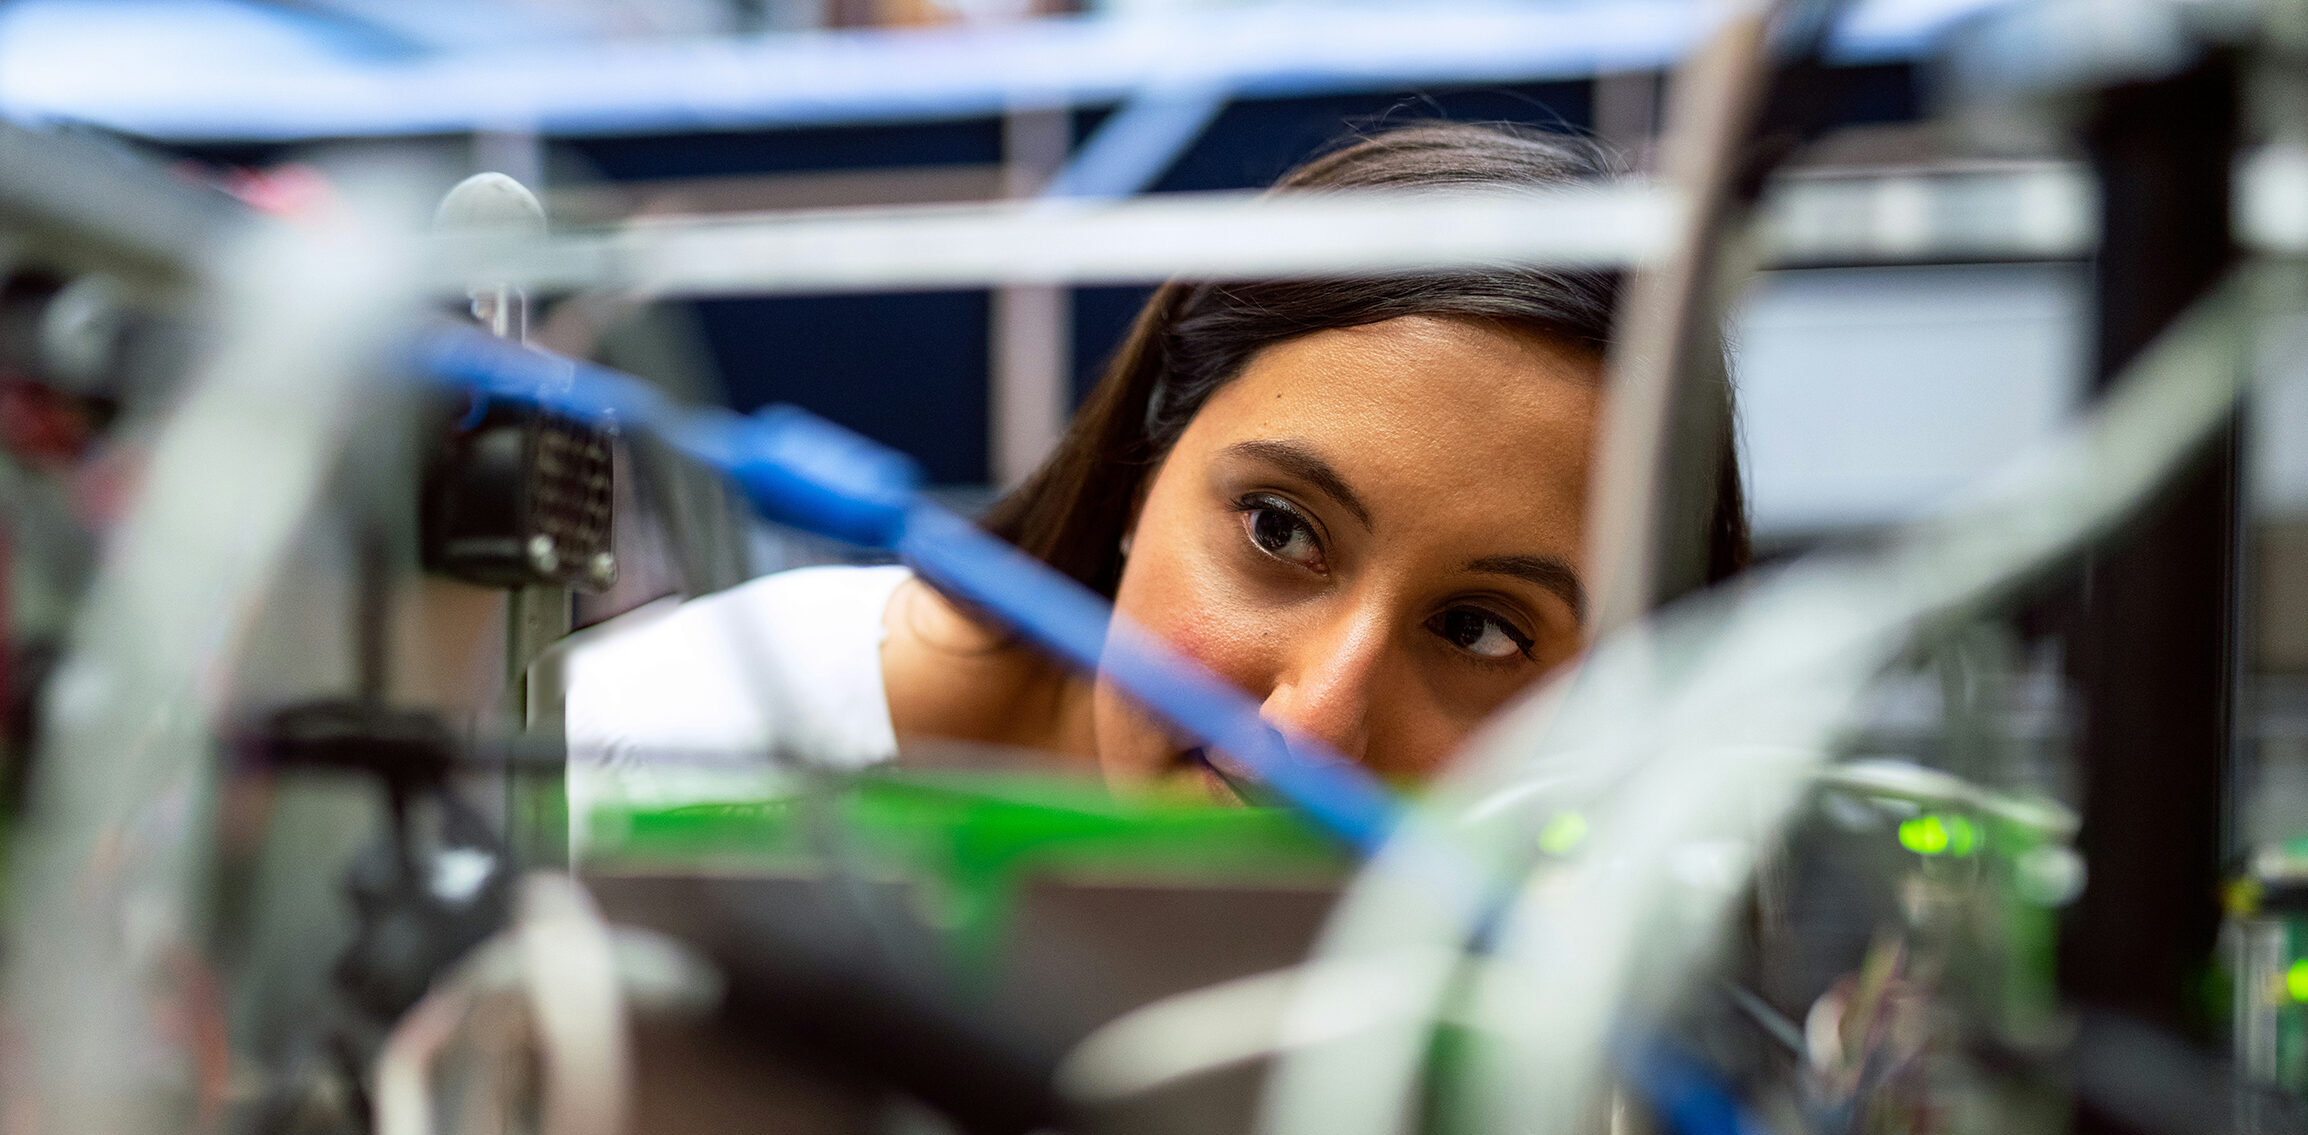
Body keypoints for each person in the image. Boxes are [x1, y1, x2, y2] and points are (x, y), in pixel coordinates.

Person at [566, 121, 1748, 810]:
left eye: (1480, 629)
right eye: (1280, 532)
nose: (1309, 726)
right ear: (1144, 466)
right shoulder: (650, 760)